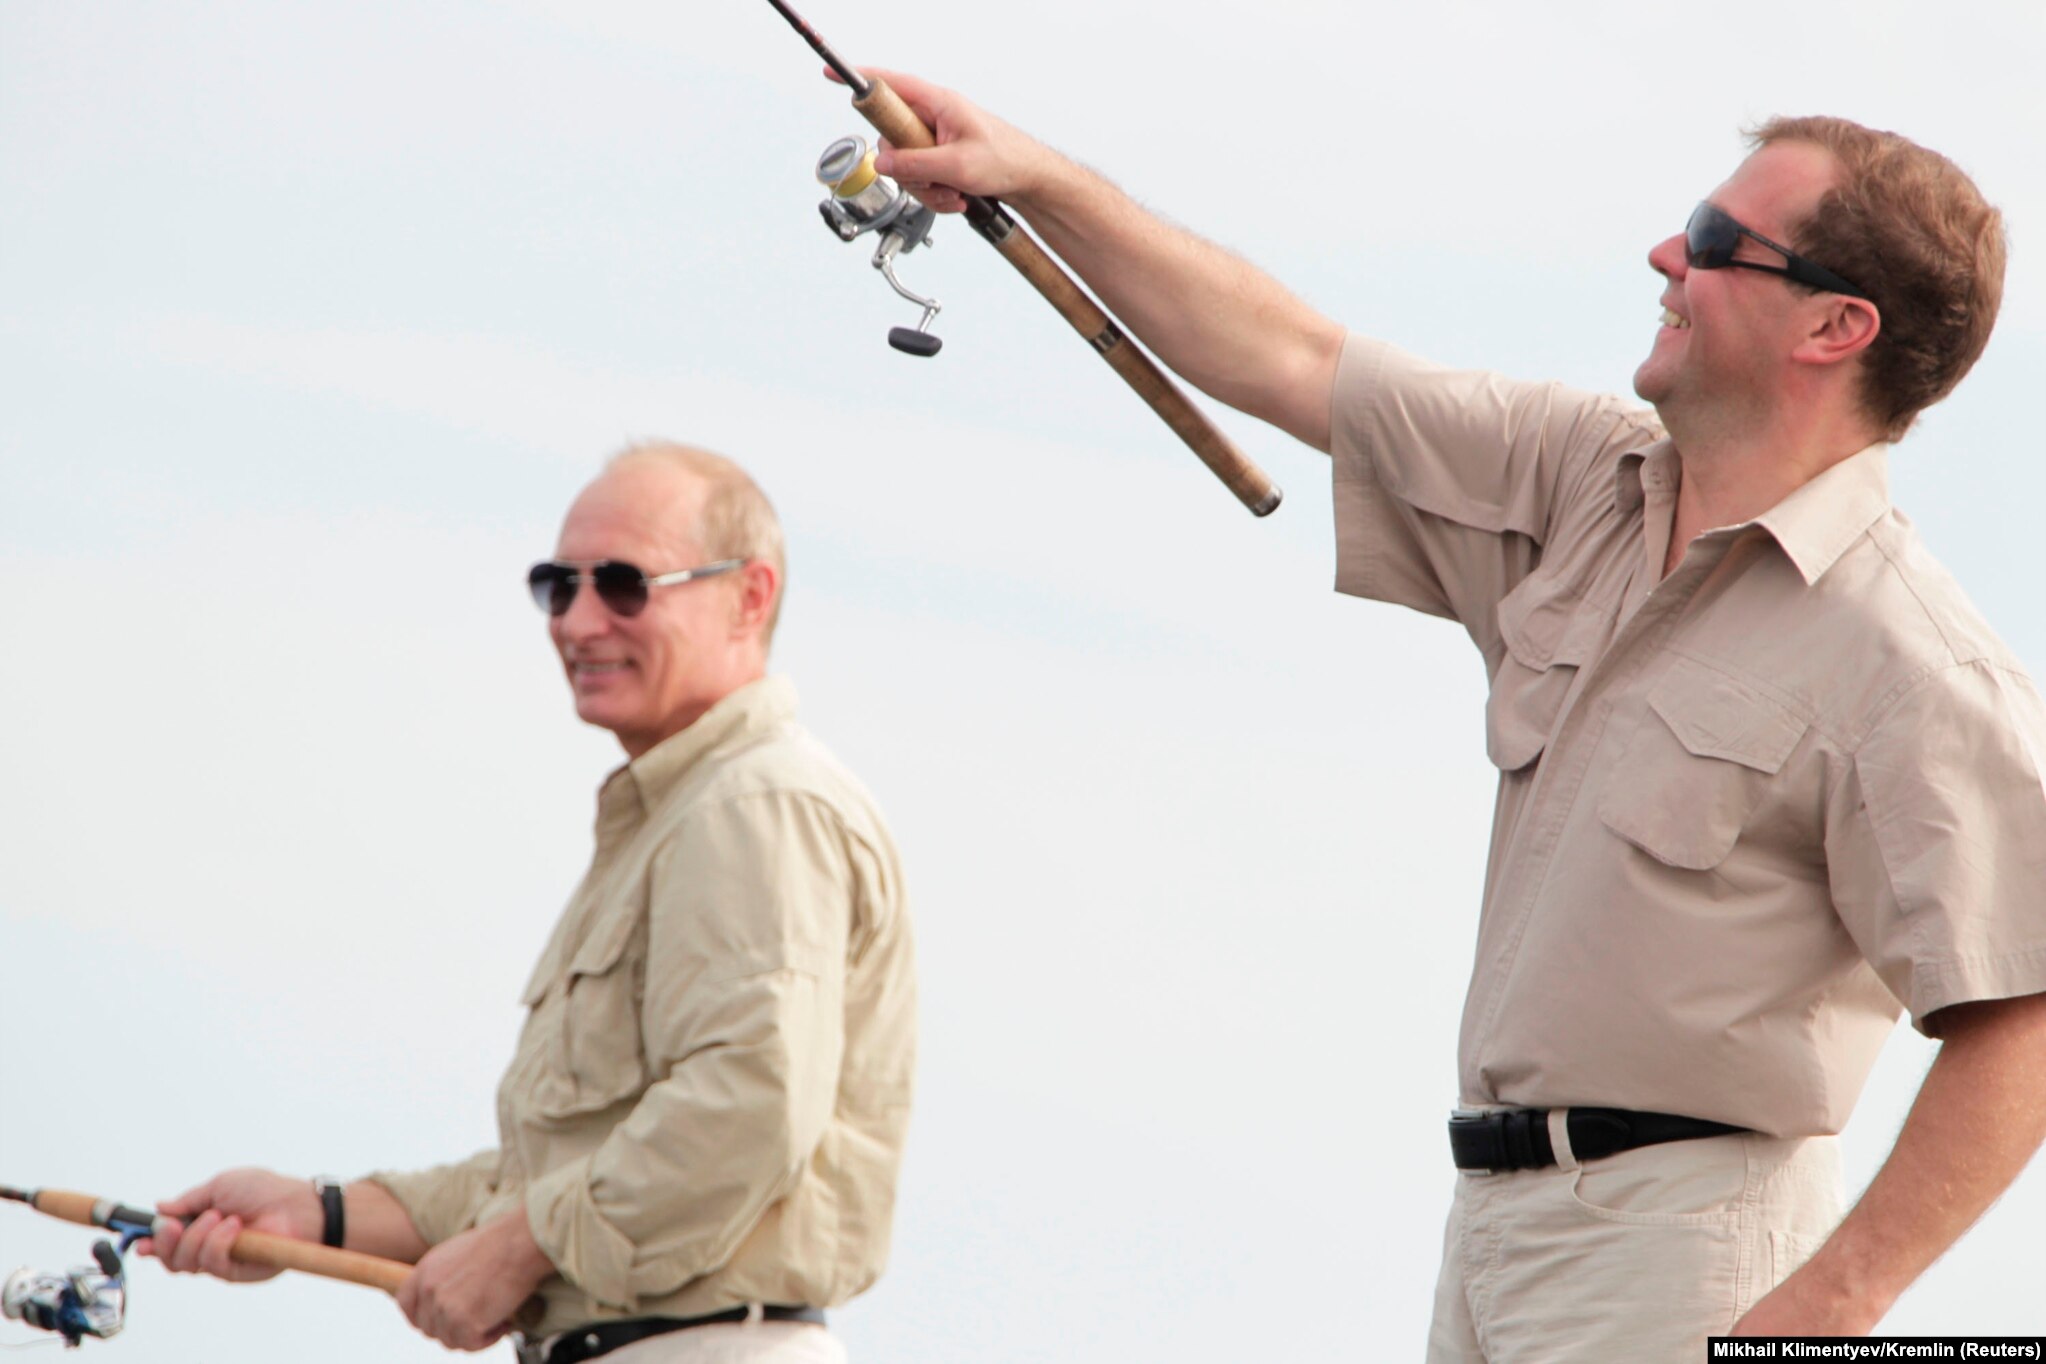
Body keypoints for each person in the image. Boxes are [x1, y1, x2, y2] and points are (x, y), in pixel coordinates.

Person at [852, 70, 2046, 1355]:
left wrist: (1828, 1309)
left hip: (1686, 1255)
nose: (1663, 257)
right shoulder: (1580, 471)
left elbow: (2024, 1018)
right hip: (1488, 1234)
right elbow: (1298, 361)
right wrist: (1033, 174)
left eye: (1710, 244)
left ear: (1835, 328)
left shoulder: (1911, 661)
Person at [143, 443, 917, 1364]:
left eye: (625, 584)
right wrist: (319, 1214)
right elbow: (550, 1176)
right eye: (558, 586)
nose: (579, 622)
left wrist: (520, 1249)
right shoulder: (684, 817)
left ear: (750, 596)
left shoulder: (754, 803)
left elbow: (746, 1106)